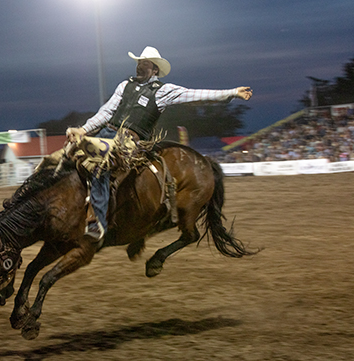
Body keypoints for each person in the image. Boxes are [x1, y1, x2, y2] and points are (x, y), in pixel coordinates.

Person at [66, 46, 253, 244]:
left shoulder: (163, 91)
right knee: (68, 154)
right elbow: (106, 112)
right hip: (105, 134)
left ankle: (97, 222)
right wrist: (84, 130)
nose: (139, 66)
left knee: (100, 165)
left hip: (129, 142)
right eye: (139, 63)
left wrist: (232, 92)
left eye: (144, 63)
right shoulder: (124, 86)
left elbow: (196, 94)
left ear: (154, 69)